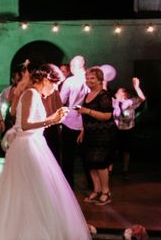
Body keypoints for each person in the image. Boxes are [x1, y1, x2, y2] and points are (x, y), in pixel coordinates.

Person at [0, 64, 92, 240]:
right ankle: (28, 232)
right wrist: (51, 120)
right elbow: (25, 125)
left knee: (33, 189)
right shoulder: (31, 94)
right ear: (47, 79)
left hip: (33, 143)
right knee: (34, 188)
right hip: (26, 147)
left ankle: (33, 229)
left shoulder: (33, 95)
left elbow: (24, 119)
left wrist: (53, 118)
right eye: (55, 85)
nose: (55, 89)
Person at [77, 66, 117, 205]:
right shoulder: (87, 95)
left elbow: (107, 116)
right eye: (87, 78)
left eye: (92, 78)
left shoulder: (104, 95)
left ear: (100, 80)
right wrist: (83, 130)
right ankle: (97, 189)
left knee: (100, 163)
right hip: (90, 133)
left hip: (103, 134)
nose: (89, 81)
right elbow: (84, 117)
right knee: (90, 163)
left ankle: (106, 191)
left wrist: (87, 111)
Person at [59, 55, 90, 188]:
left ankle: (68, 184)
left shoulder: (70, 81)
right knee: (87, 156)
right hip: (88, 121)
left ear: (72, 67)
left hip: (70, 121)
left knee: (68, 156)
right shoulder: (91, 79)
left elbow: (61, 100)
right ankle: (92, 183)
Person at [112, 77, 146, 180]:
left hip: (128, 129)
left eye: (118, 92)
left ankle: (125, 170)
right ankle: (110, 170)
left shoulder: (131, 102)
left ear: (124, 94)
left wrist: (137, 87)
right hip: (116, 129)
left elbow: (142, 98)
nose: (116, 94)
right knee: (113, 149)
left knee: (126, 150)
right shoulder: (114, 102)